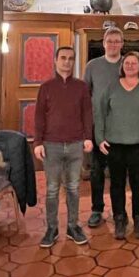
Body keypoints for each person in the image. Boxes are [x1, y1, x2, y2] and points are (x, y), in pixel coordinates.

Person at [94, 51, 139, 240]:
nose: (130, 66)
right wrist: (100, 138)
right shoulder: (112, 86)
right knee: (116, 184)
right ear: (122, 66)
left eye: (134, 63)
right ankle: (119, 218)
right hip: (114, 144)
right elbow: (100, 113)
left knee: (138, 184)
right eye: (127, 63)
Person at [33, 46, 93, 248]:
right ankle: (52, 228)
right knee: (52, 189)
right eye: (63, 58)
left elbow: (87, 114)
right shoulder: (46, 87)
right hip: (52, 145)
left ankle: (73, 226)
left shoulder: (81, 87)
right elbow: (39, 117)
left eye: (71, 58)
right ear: (55, 60)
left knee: (74, 188)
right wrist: (38, 142)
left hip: (76, 144)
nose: (67, 62)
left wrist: (88, 137)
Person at [83, 27, 124, 228]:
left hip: (122, 128)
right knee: (97, 171)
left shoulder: (129, 64)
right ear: (104, 43)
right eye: (110, 41)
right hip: (98, 126)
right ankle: (96, 209)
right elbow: (85, 95)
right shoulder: (92, 66)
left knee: (118, 172)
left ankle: (119, 212)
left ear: (122, 44)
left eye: (117, 41)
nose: (113, 44)